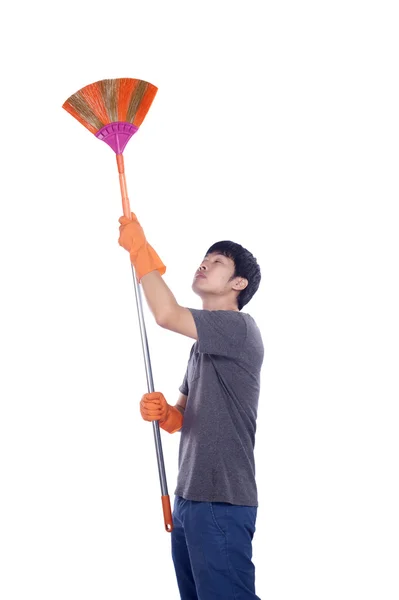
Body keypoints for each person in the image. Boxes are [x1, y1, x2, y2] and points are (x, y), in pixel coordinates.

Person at [118, 212, 264, 600]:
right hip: (189, 498)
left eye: (217, 262)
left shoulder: (238, 328)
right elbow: (182, 417)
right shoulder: (202, 345)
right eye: (204, 257)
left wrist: (141, 253)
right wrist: (165, 413)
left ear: (238, 283)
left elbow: (166, 315)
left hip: (221, 499)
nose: (204, 263)